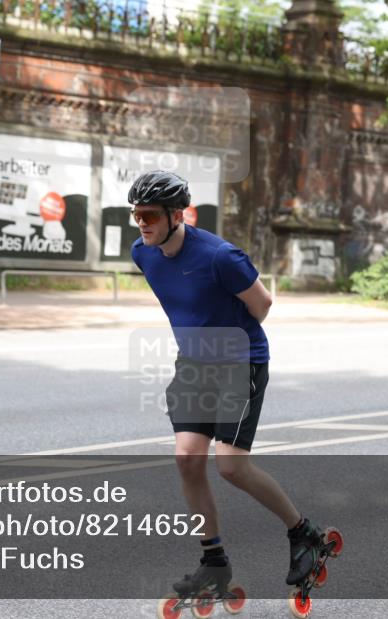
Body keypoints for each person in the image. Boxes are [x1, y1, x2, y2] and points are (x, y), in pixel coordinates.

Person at [128, 170, 329, 597]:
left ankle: (303, 532)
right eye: (136, 215)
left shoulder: (221, 256)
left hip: (240, 362)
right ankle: (214, 562)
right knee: (187, 459)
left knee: (232, 466)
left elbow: (262, 304)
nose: (141, 223)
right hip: (192, 365)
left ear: (176, 214)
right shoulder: (143, 254)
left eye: (149, 215)